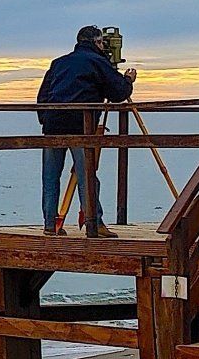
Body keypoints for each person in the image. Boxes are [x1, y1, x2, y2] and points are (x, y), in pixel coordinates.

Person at [36, 26, 137, 236]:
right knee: (87, 175)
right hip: (82, 126)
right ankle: (95, 223)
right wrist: (128, 80)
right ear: (97, 43)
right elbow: (118, 92)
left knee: (50, 177)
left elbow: (43, 95)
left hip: (53, 125)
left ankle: (49, 225)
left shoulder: (59, 63)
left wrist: (46, 119)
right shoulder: (97, 62)